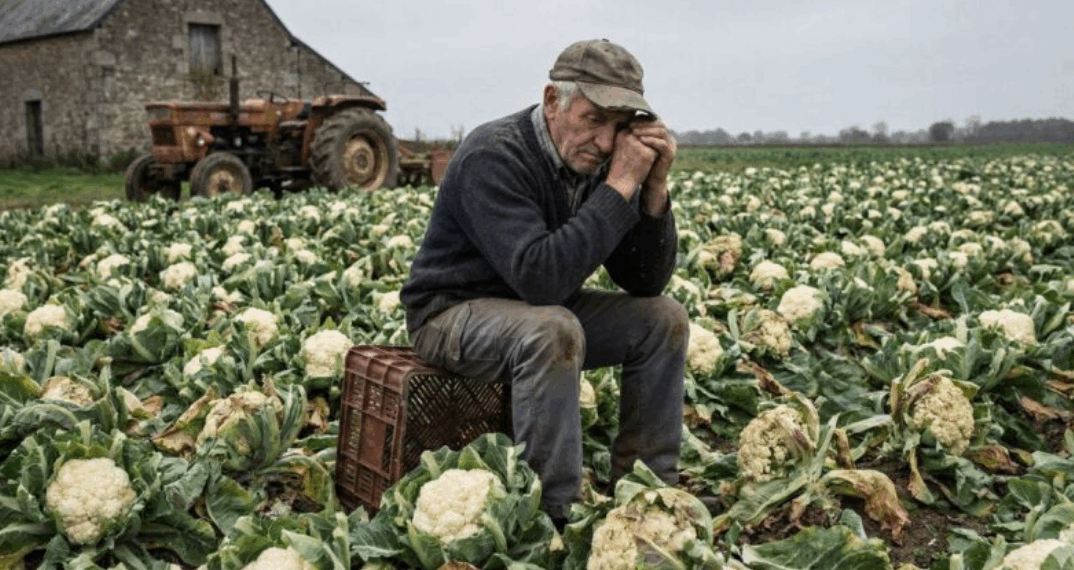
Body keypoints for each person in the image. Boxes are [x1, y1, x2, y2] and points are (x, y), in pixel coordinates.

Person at [399, 39, 688, 528]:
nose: (602, 141)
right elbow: (541, 279)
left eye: (617, 128)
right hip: (452, 313)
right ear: (553, 101)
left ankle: (648, 491)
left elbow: (645, 279)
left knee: (663, 319)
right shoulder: (493, 156)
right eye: (592, 120)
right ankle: (553, 517)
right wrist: (619, 187)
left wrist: (652, 191)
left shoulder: (599, 165)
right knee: (552, 328)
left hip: (540, 312)